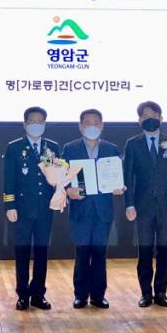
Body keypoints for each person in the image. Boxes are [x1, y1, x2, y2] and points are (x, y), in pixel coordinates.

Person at [123, 101, 167, 308]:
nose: (150, 119)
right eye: (145, 116)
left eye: (154, 116)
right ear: (139, 120)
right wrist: (129, 204)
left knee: (164, 251)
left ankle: (161, 292)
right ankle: (145, 293)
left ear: (161, 118)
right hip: (143, 207)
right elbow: (127, 177)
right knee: (145, 251)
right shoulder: (132, 144)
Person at [63, 109, 125, 309]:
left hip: (103, 210)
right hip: (81, 209)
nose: (92, 126)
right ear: (80, 126)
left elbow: (119, 176)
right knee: (82, 253)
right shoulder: (70, 149)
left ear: (102, 125)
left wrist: (120, 187)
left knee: (99, 254)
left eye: (96, 123)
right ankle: (80, 295)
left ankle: (98, 295)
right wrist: (68, 190)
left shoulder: (111, 149)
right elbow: (63, 178)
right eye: (87, 123)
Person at [3, 106, 60, 310]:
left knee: (42, 252)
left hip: (45, 209)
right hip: (22, 209)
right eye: (32, 121)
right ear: (24, 124)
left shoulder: (52, 147)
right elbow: (9, 179)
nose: (36, 125)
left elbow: (57, 177)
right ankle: (22, 294)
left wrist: (60, 192)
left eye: (40, 122)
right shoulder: (14, 148)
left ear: (45, 124)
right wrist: (10, 205)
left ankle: (38, 294)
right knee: (22, 252)